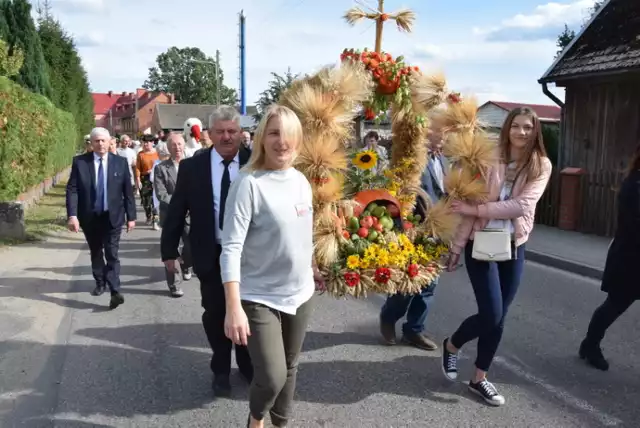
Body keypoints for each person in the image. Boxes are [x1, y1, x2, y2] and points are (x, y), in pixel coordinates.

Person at [440, 107, 552, 406]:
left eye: (528, 127)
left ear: (535, 130)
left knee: (500, 317)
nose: (522, 132)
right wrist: (455, 247)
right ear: (507, 129)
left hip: (513, 244)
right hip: (480, 243)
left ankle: (479, 378)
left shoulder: (541, 165)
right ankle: (452, 345)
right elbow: (465, 205)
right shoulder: (487, 158)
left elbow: (522, 206)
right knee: (491, 313)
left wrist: (476, 211)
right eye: (516, 126)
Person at [221, 105, 318, 428]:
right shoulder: (249, 183)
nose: (282, 142)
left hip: (300, 293)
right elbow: (231, 247)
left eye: (289, 134)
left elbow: (303, 234)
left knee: (290, 366)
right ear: (262, 138)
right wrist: (233, 307)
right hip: (259, 296)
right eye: (274, 133)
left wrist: (315, 267)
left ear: (299, 140)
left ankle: (279, 423)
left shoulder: (302, 181)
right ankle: (256, 417)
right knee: (273, 375)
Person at [160, 105, 253, 396]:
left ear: (240, 133)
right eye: (220, 132)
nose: (227, 137)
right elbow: (176, 212)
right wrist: (168, 252)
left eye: (232, 131)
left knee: (249, 311)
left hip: (250, 257)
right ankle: (221, 370)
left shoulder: (256, 163)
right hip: (210, 252)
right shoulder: (193, 167)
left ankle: (249, 365)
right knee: (215, 313)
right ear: (209, 134)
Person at [379, 109, 449, 351]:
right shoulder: (411, 157)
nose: (443, 135)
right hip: (413, 228)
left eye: (445, 131)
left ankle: (414, 330)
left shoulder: (444, 160)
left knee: (429, 284)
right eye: (439, 130)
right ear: (426, 131)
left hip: (438, 231)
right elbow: (399, 191)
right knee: (406, 284)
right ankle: (388, 317)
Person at [579, 145, 640, 371]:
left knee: (615, 305)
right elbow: (634, 226)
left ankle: (589, 344)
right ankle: (590, 344)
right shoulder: (633, 186)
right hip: (630, 260)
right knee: (614, 306)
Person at [65, 127, 136, 310]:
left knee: (112, 253)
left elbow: (127, 192)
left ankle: (115, 291)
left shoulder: (120, 163)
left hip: (113, 217)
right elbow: (72, 190)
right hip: (90, 217)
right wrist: (72, 215)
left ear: (109, 141)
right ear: (91, 143)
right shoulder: (80, 163)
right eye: (97, 141)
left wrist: (131, 217)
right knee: (96, 251)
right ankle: (100, 282)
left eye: (103, 140)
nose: (100, 144)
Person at [153, 133, 192, 297]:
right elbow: (161, 193)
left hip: (190, 215)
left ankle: (186, 264)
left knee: (191, 247)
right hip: (170, 215)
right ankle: (174, 285)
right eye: (173, 145)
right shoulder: (161, 168)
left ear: (184, 146)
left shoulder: (192, 166)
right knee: (170, 249)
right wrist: (179, 204)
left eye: (180, 144)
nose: (177, 148)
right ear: (168, 148)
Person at [135, 135, 160, 230]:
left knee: (155, 201)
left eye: (148, 142)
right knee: (146, 201)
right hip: (144, 179)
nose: (146, 144)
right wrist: (137, 179)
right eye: (144, 142)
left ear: (152, 143)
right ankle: (148, 215)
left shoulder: (157, 154)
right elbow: (137, 168)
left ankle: (155, 221)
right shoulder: (141, 154)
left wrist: (153, 170)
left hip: (156, 178)